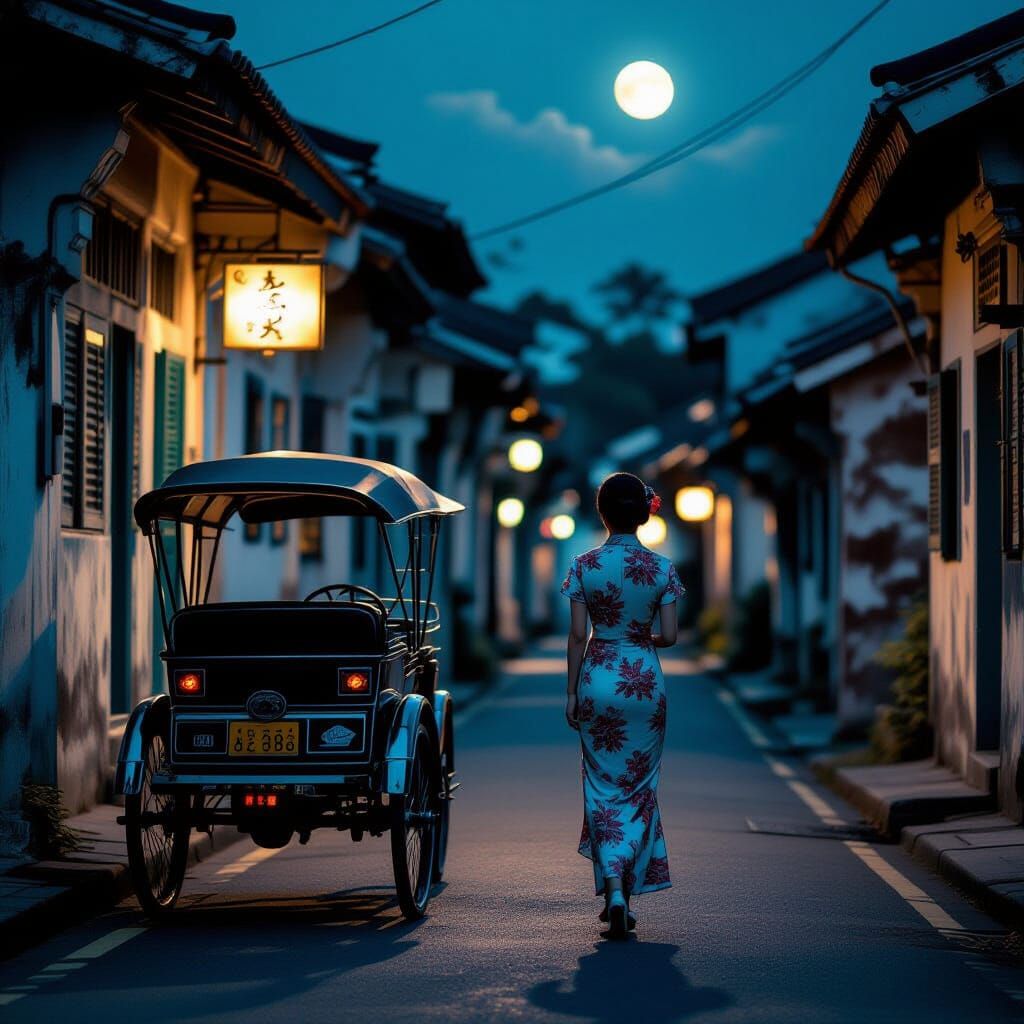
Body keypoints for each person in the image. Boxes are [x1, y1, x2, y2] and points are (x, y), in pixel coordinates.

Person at [561, 472, 684, 940]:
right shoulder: (663, 568)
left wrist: (571, 692)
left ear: (602, 513)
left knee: (601, 786)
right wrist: (639, 636)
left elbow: (578, 635)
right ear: (644, 513)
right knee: (639, 787)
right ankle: (625, 894)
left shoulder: (584, 564)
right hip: (644, 684)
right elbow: (669, 636)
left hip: (597, 677)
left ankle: (613, 887)